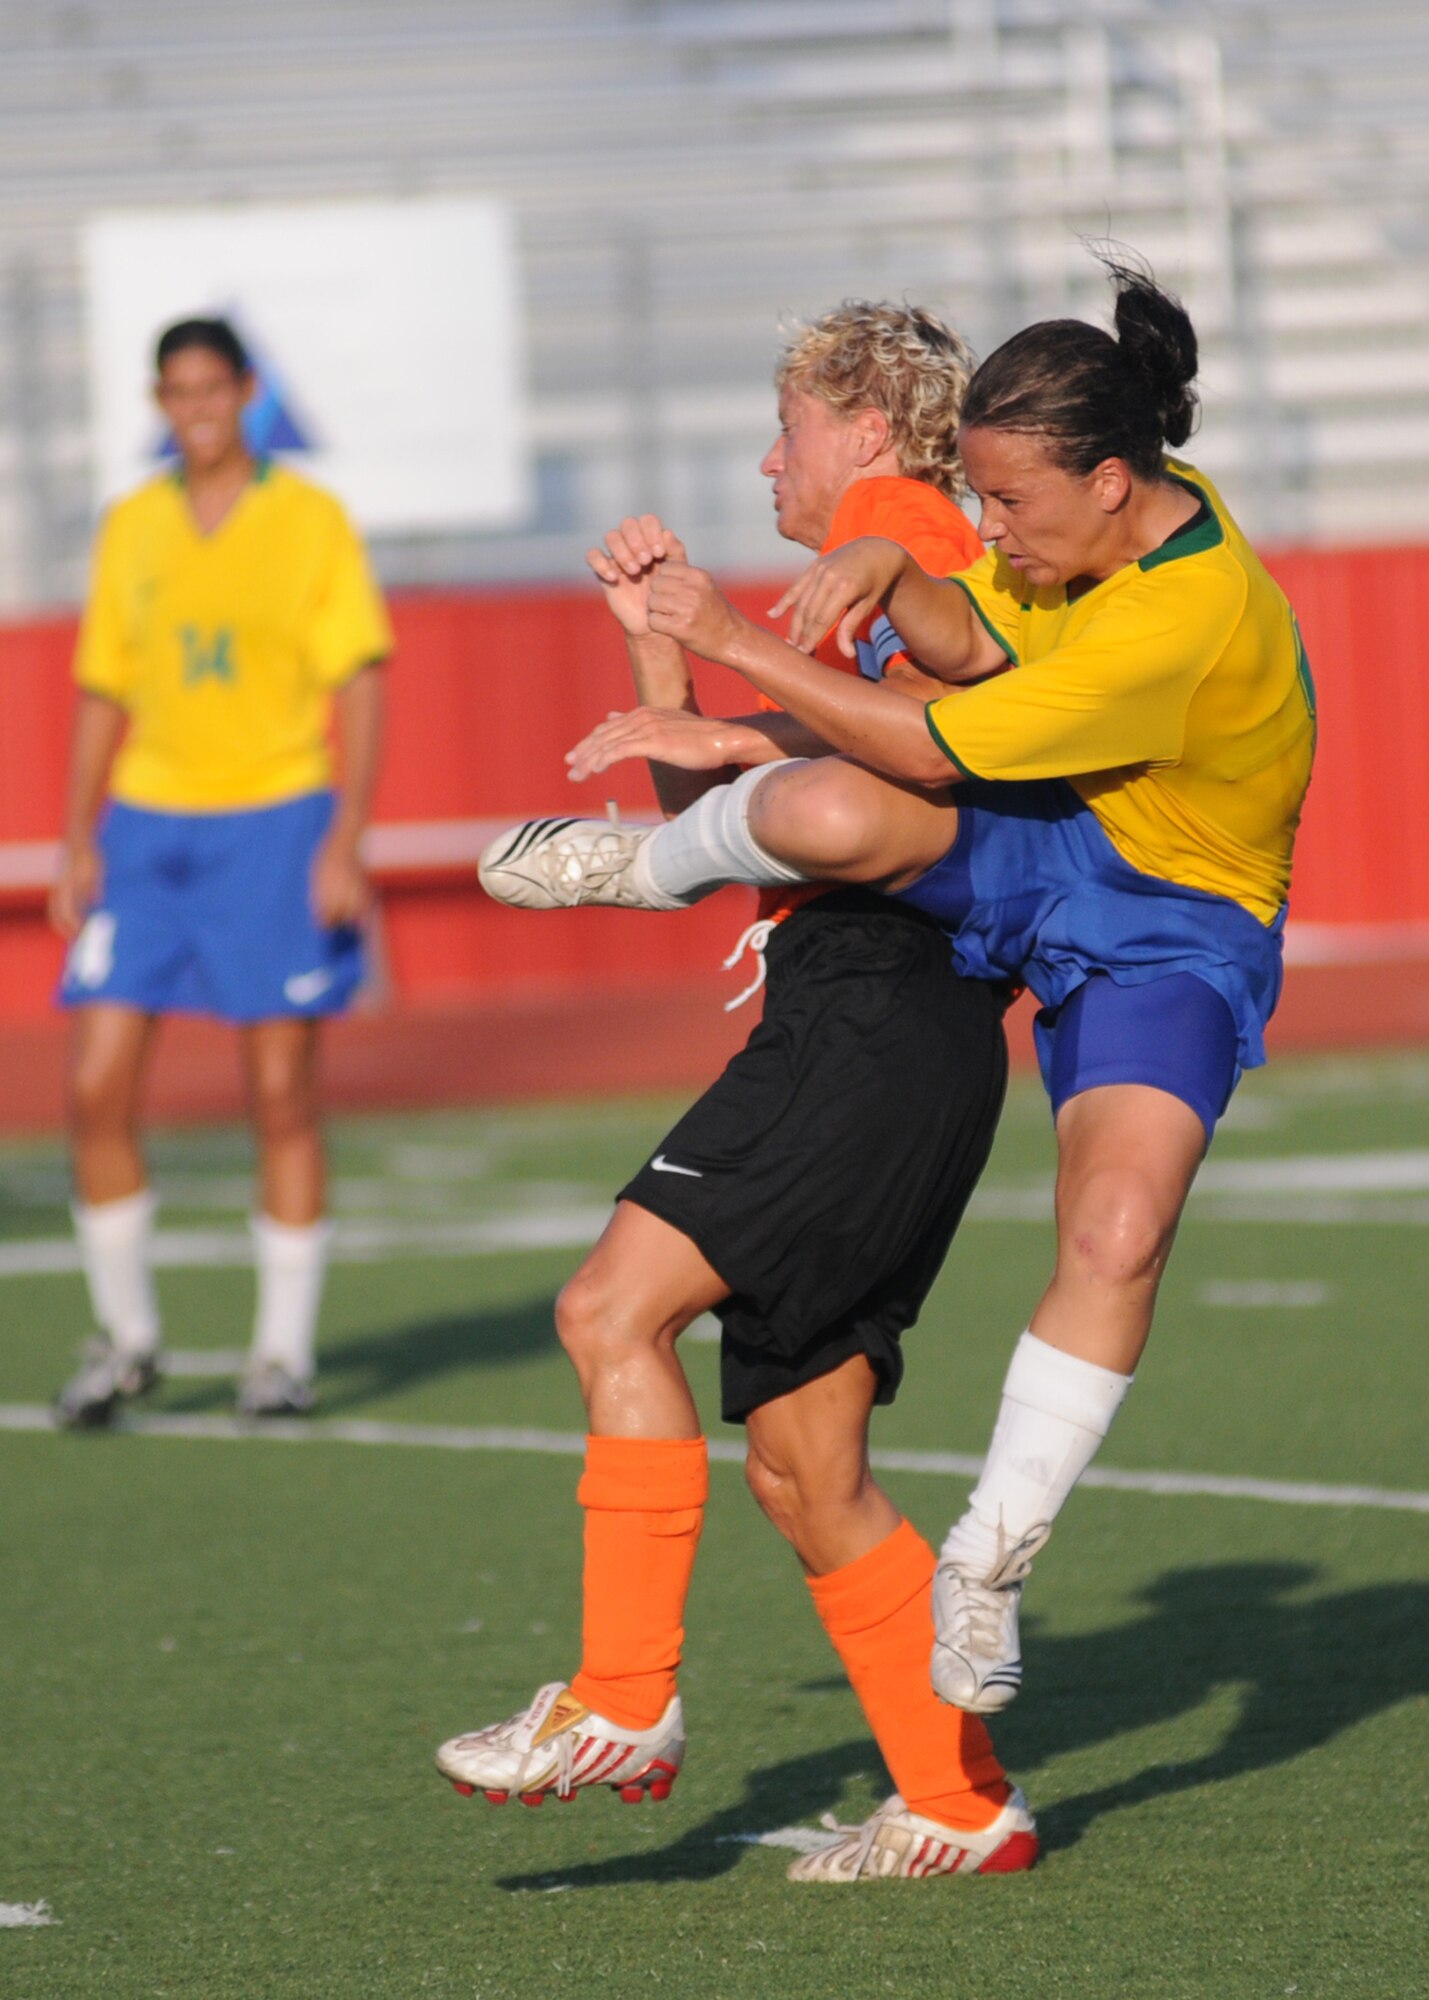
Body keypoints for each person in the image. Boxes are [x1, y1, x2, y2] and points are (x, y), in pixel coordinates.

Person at [479, 257, 1316, 1721]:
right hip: (1056, 845)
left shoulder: (1176, 622)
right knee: (823, 812)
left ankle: (986, 1562)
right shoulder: (1104, 528)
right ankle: (650, 868)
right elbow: (976, 642)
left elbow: (941, 739)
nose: (985, 528)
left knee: (1116, 1234)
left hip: (1172, 927)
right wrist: (897, 582)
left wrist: (733, 646)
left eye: (1007, 506)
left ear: (1114, 484)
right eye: (971, 501)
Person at [440, 303, 1043, 1883]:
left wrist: (722, 656)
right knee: (803, 1465)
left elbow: (941, 753)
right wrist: (662, 631)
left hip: (869, 1015)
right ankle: (962, 1805)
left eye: (786, 425)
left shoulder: (893, 523)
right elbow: (714, 803)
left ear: (861, 423)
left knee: (604, 1313)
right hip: (898, 1034)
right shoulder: (862, 559)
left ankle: (622, 1698)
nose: (770, 462)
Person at [51, 316, 391, 1424]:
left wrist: (345, 835)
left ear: (245, 391)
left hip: (276, 822)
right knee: (96, 1082)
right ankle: (127, 1336)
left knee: (281, 1092)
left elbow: (360, 680)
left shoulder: (309, 517)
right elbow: (104, 684)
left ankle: (279, 1355)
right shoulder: (133, 524)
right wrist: (78, 832)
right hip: (149, 831)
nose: (195, 407)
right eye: (176, 391)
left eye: (213, 386)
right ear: (160, 401)